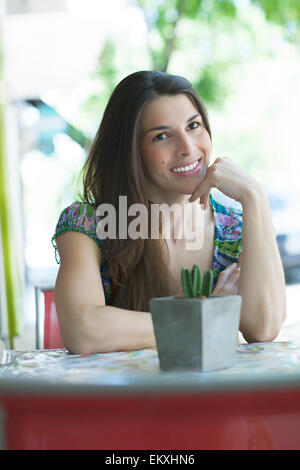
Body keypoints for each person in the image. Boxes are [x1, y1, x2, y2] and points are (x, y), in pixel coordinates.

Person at [52, 70, 286, 354]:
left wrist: (255, 197)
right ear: (131, 151)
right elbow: (84, 330)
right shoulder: (88, 225)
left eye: (194, 126)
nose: (188, 148)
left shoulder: (235, 229)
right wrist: (203, 314)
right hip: (125, 397)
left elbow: (262, 328)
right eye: (161, 136)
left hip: (212, 395)